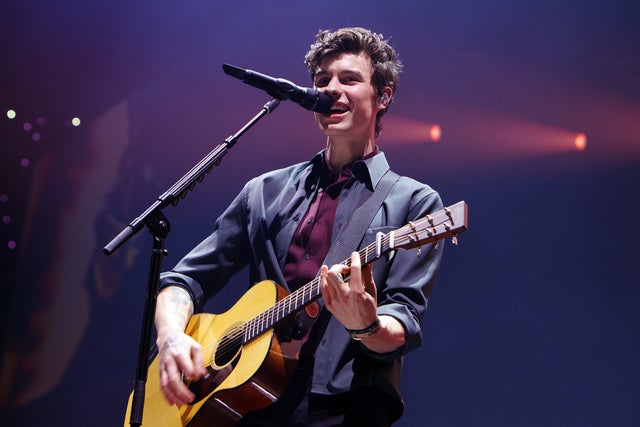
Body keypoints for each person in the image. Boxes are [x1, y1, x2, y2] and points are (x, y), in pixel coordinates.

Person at [154, 27, 444, 426]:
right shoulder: (264, 191)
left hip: (342, 408)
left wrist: (367, 325)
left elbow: (403, 324)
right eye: (322, 81)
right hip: (247, 399)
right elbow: (183, 281)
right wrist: (170, 337)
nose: (331, 90)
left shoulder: (414, 203)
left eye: (349, 79)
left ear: (384, 96)